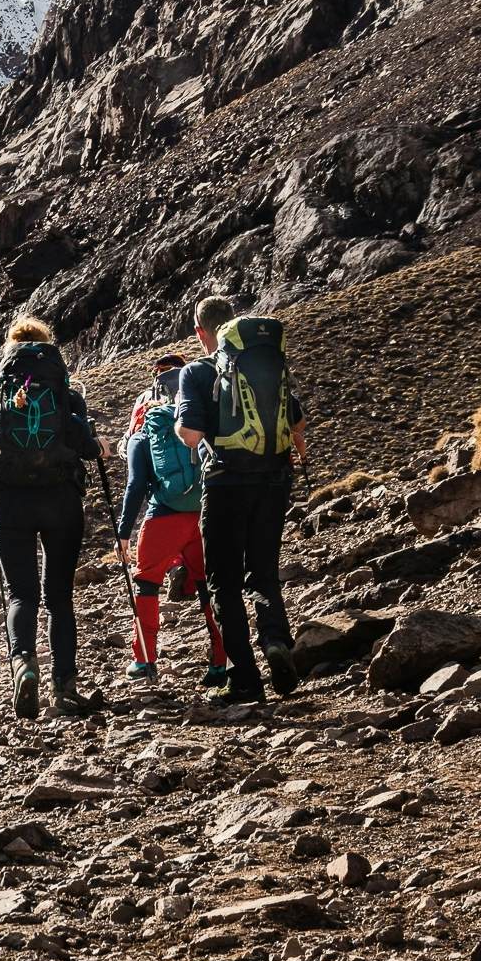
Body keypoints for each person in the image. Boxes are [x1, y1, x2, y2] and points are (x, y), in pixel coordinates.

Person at [175, 294, 307, 705]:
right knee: (264, 573)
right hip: (273, 480)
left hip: (225, 484)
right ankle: (276, 642)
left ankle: (246, 679)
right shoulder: (265, 365)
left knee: (224, 584)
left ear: (201, 332)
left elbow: (190, 434)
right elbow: (298, 424)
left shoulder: (196, 372)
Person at [0, 316, 101, 719]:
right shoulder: (65, 390)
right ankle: (65, 686)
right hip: (60, 502)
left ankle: (24, 666)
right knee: (59, 597)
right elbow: (86, 446)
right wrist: (98, 446)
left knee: (20, 593)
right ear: (47, 348)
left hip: (8, 506)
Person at [114, 351, 216, 687]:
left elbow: (135, 485)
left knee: (146, 584)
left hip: (163, 517)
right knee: (208, 588)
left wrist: (123, 532)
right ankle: (220, 660)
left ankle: (144, 660)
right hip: (203, 513)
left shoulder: (147, 425)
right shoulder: (196, 412)